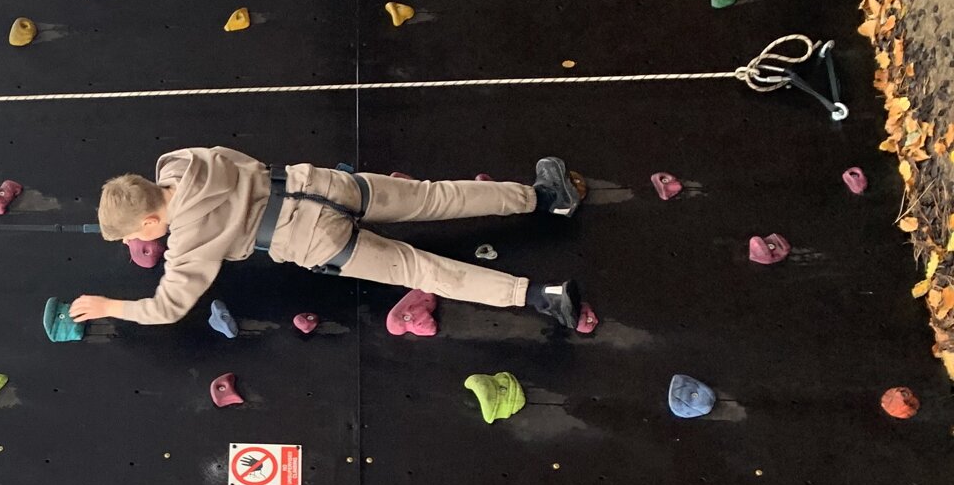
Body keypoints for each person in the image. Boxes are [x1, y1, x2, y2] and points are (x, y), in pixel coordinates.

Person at [66, 146, 588, 330]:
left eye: (139, 234)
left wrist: (112, 306)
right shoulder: (185, 162)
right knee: (436, 197)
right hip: (320, 186)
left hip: (312, 241)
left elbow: (168, 309)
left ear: (150, 226)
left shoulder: (187, 244)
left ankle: (538, 297)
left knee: (418, 271)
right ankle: (545, 197)